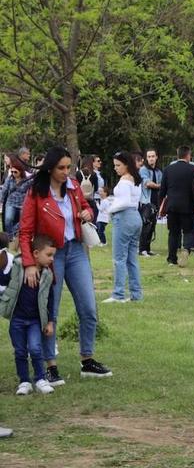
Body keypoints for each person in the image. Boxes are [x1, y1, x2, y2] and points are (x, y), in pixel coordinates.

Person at [18, 146, 112, 383]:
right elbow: (25, 230)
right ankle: (50, 365)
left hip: (76, 250)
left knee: (89, 307)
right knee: (50, 310)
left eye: (69, 167)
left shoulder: (73, 186)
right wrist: (30, 263)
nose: (66, 172)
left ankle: (87, 359)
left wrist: (88, 213)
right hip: (51, 255)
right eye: (61, 168)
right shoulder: (36, 193)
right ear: (50, 167)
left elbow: (86, 206)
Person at [2, 234, 57, 395]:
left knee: (35, 349)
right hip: (17, 319)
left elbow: (50, 300)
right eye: (48, 255)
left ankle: (40, 379)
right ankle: (24, 381)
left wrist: (50, 322)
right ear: (35, 253)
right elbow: (4, 280)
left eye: (53, 255)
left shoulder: (47, 275)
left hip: (35, 321)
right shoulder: (17, 266)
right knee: (20, 351)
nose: (52, 259)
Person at [103, 152, 143, 303]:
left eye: (118, 165)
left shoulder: (125, 180)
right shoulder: (136, 179)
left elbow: (124, 201)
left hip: (124, 218)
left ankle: (118, 294)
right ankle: (136, 294)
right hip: (135, 217)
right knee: (132, 259)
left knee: (119, 258)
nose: (116, 168)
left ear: (127, 165)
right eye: (115, 165)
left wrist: (110, 209)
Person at [159, 146, 194, 268]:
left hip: (172, 206)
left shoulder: (168, 169)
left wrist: (160, 204)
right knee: (188, 231)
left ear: (177, 155)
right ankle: (186, 249)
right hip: (187, 206)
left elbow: (162, 190)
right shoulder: (193, 169)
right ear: (188, 155)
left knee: (173, 233)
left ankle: (172, 258)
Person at [138, 149, 162, 257]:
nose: (151, 158)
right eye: (149, 156)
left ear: (156, 157)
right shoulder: (143, 170)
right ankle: (142, 249)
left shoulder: (158, 172)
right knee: (145, 225)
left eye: (153, 156)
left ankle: (147, 249)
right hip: (146, 202)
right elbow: (147, 183)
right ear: (146, 158)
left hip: (155, 202)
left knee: (152, 226)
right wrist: (160, 186)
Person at [1, 155, 30, 236]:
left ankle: (13, 233)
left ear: (20, 171)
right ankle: (10, 237)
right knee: (8, 220)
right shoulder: (10, 179)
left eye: (15, 172)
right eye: (12, 171)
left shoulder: (27, 180)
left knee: (23, 221)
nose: (13, 173)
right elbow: (4, 190)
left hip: (22, 203)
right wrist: (1, 202)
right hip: (11, 203)